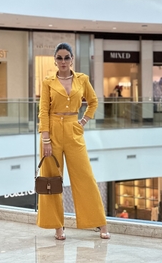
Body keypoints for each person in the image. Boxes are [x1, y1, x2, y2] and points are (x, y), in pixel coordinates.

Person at [37, 42, 110, 241]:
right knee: (52, 180)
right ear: (55, 60)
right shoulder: (47, 82)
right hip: (51, 132)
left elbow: (93, 101)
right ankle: (57, 227)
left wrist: (84, 120)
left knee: (85, 176)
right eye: (59, 58)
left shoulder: (82, 79)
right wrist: (45, 139)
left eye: (66, 58)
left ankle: (100, 223)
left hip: (73, 129)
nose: (62, 61)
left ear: (72, 59)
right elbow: (43, 111)